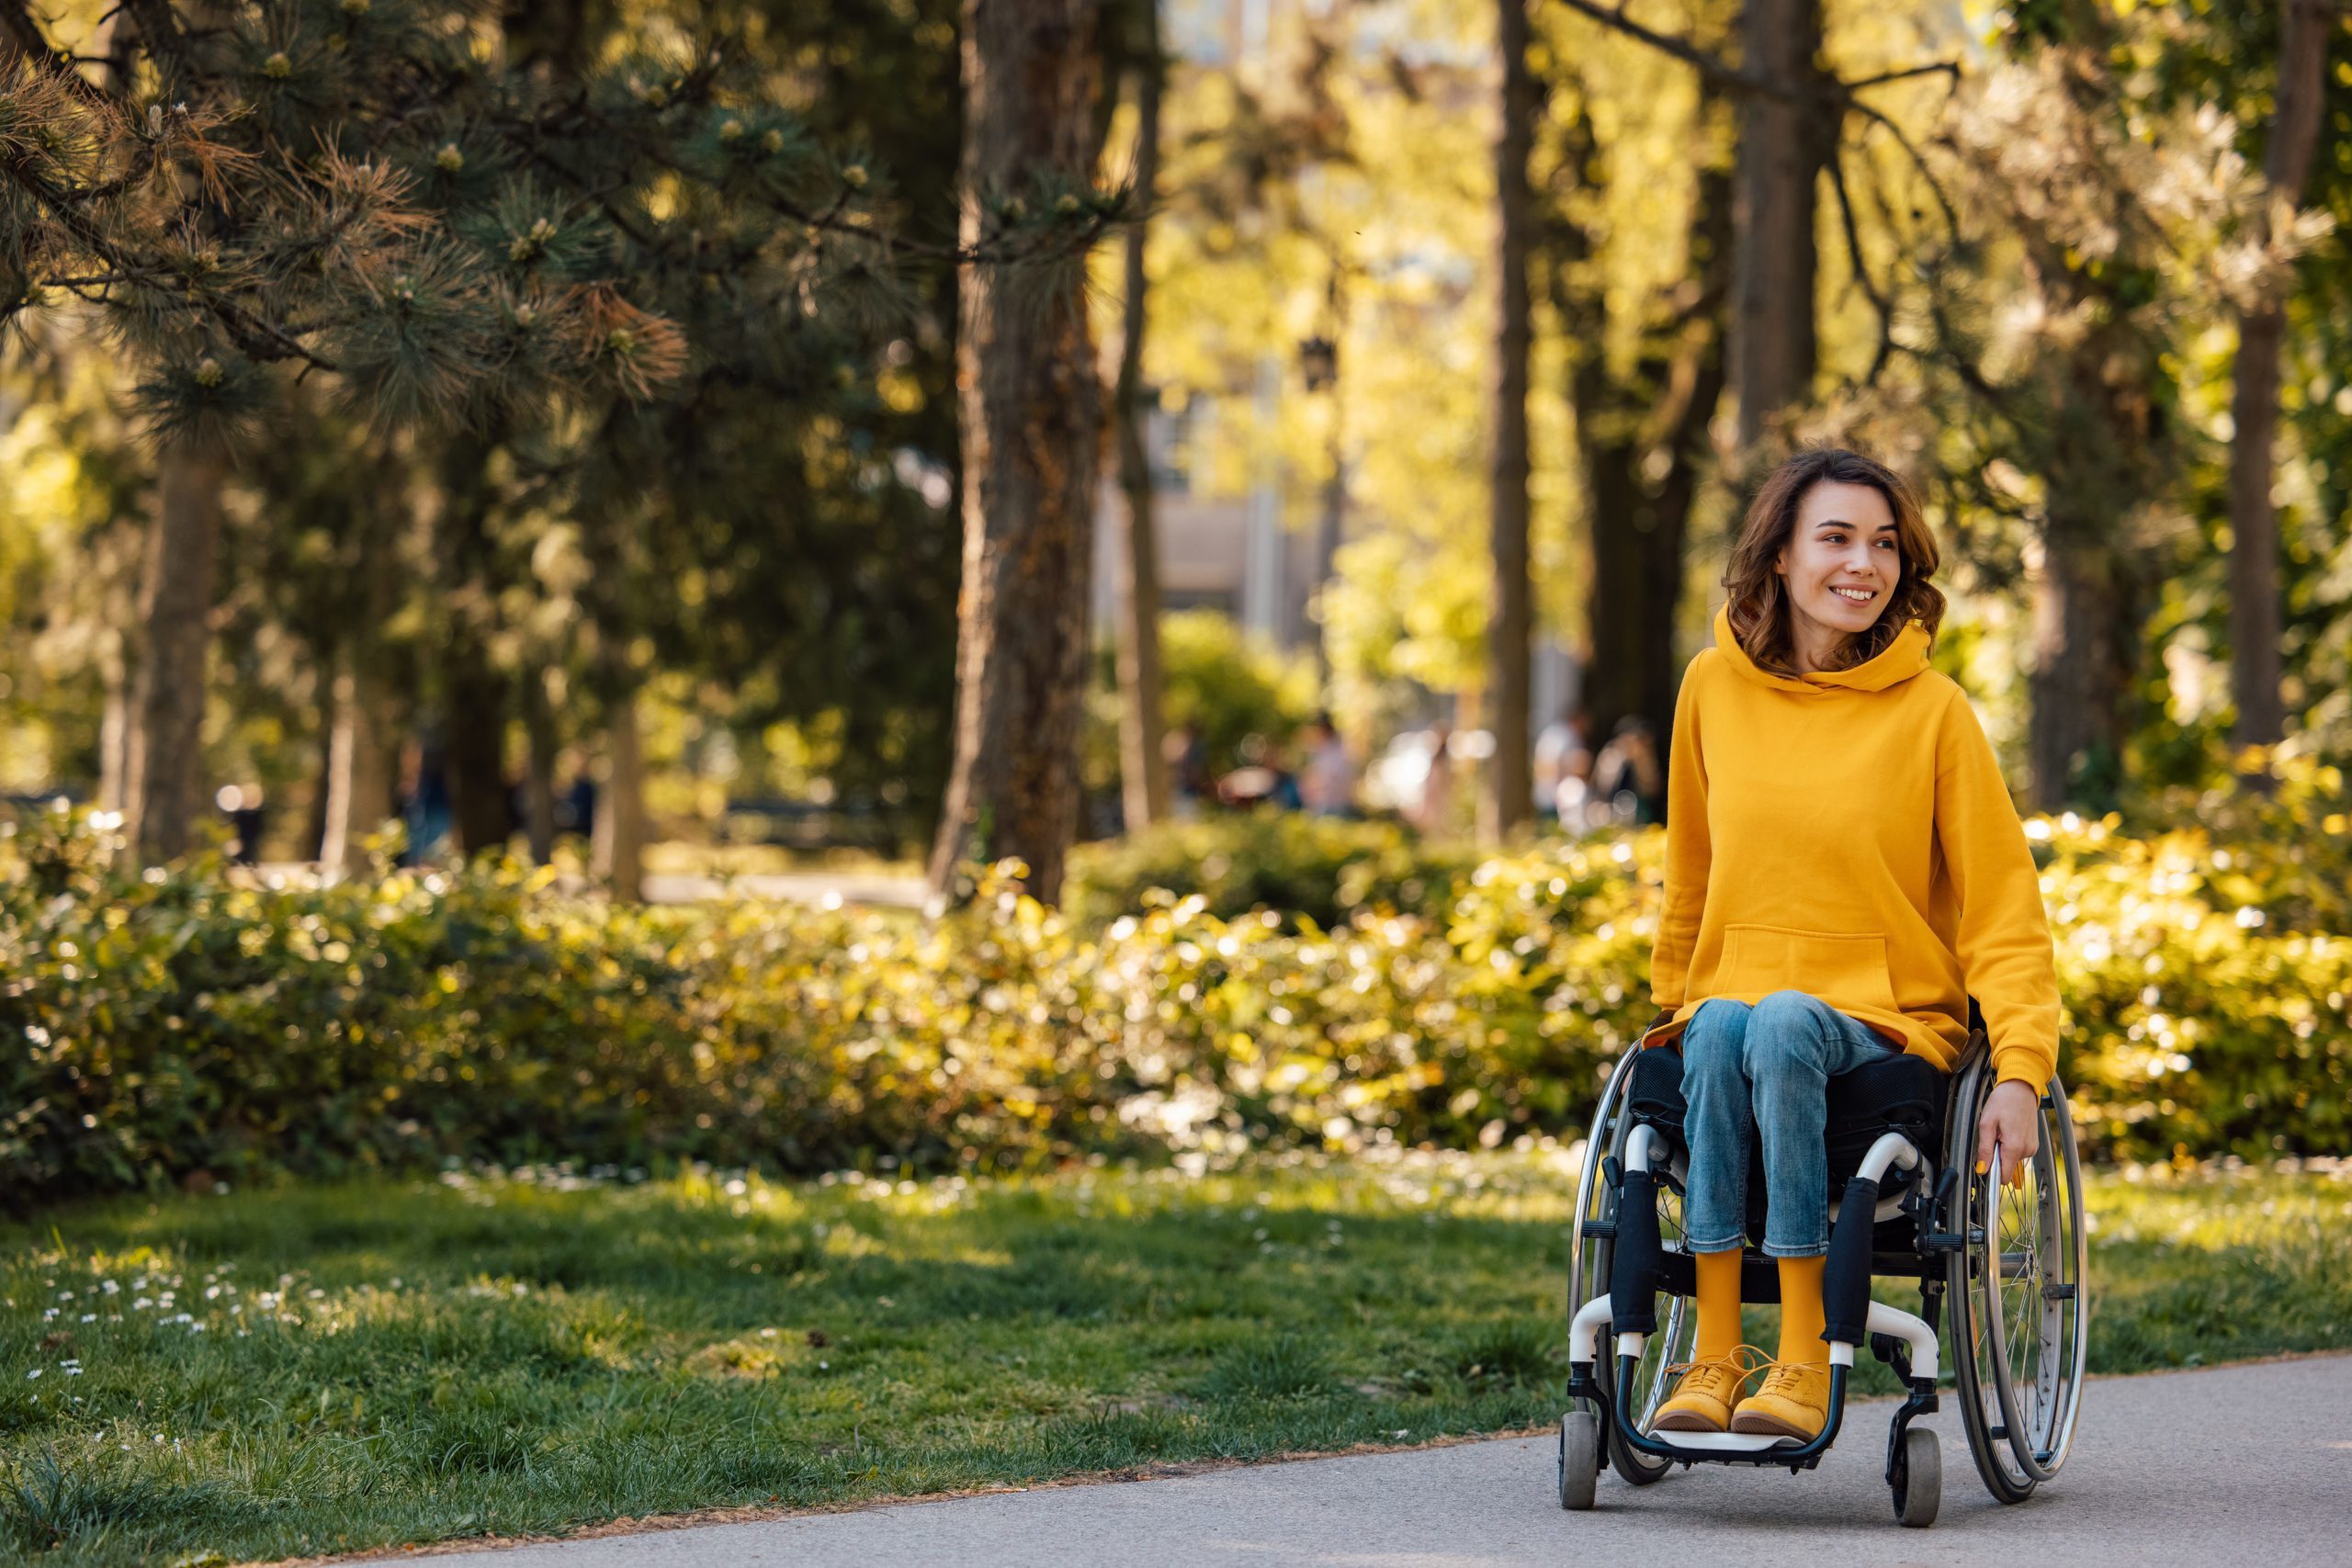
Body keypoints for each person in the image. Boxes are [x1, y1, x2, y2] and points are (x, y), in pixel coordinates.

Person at [1643, 447, 2059, 1442]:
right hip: (1731, 1017)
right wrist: (1668, 1007)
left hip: (1884, 1028)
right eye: (1834, 537)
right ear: (1778, 557)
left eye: (1882, 544)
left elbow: (2004, 905)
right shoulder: (1710, 690)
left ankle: (1797, 1355)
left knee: (1778, 1018)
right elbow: (1690, 874)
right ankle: (1710, 1353)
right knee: (1721, 1026)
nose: (1861, 564)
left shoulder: (1935, 715)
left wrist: (2021, 1070)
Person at [1298, 715, 1357, 817]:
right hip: (1320, 802)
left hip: (1333, 802)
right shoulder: (1321, 750)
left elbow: (1336, 777)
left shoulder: (1338, 750)